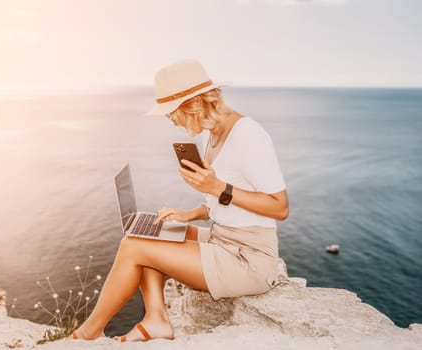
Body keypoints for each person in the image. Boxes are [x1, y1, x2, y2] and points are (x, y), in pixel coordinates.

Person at [69, 59, 289, 342]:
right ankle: (156, 319)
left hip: (250, 259)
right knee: (150, 230)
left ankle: (86, 335)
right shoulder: (214, 134)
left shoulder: (249, 135)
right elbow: (225, 205)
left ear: (193, 105)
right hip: (224, 239)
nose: (171, 121)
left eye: (171, 113)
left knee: (133, 246)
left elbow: (279, 207)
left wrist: (219, 187)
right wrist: (192, 213)